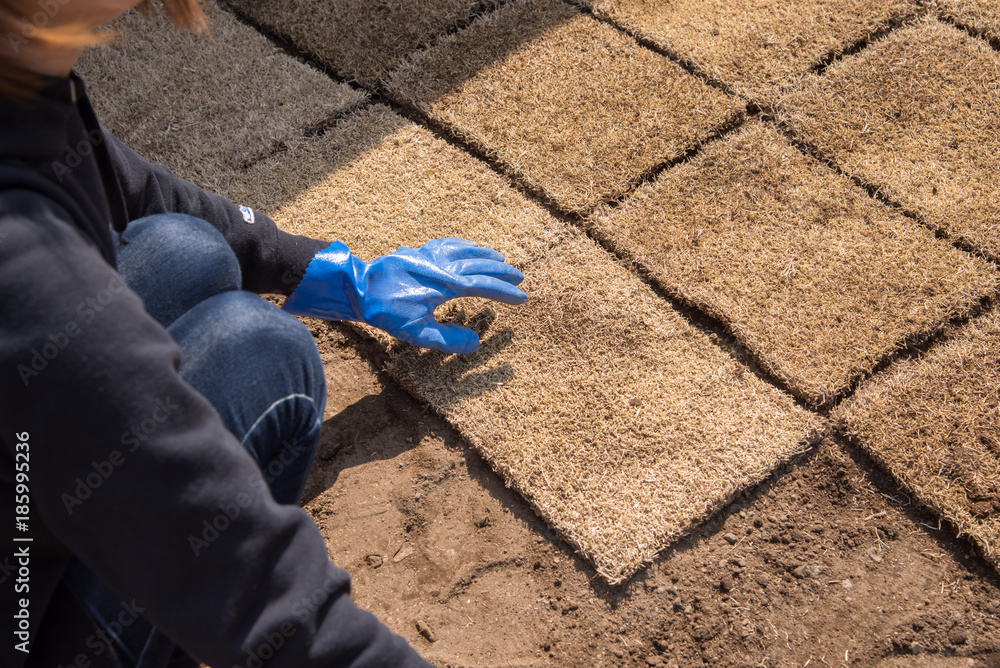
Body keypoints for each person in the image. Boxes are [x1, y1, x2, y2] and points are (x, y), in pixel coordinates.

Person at [0, 0, 528, 666]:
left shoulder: (22, 84)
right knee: (264, 351)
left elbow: (123, 184)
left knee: (184, 249)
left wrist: (341, 278)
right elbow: (253, 588)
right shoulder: (22, 257)